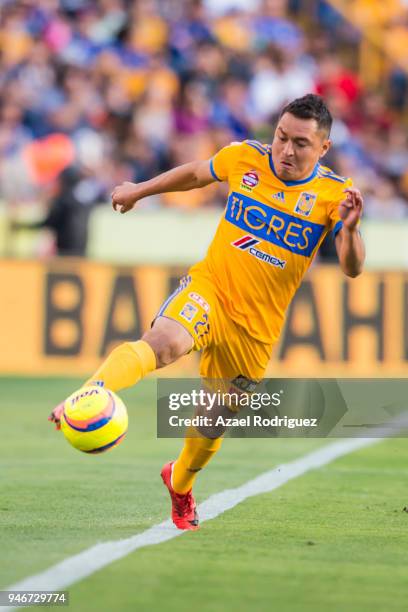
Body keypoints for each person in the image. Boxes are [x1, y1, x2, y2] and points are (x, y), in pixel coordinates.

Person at [49, 94, 365, 530]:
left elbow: (352, 268)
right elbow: (196, 174)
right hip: (210, 288)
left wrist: (349, 230)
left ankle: (179, 483)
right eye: (281, 137)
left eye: (301, 144)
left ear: (323, 148)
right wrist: (139, 190)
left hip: (256, 326)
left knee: (214, 419)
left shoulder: (334, 193)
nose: (286, 150)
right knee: (163, 345)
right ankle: (83, 397)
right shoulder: (244, 157)